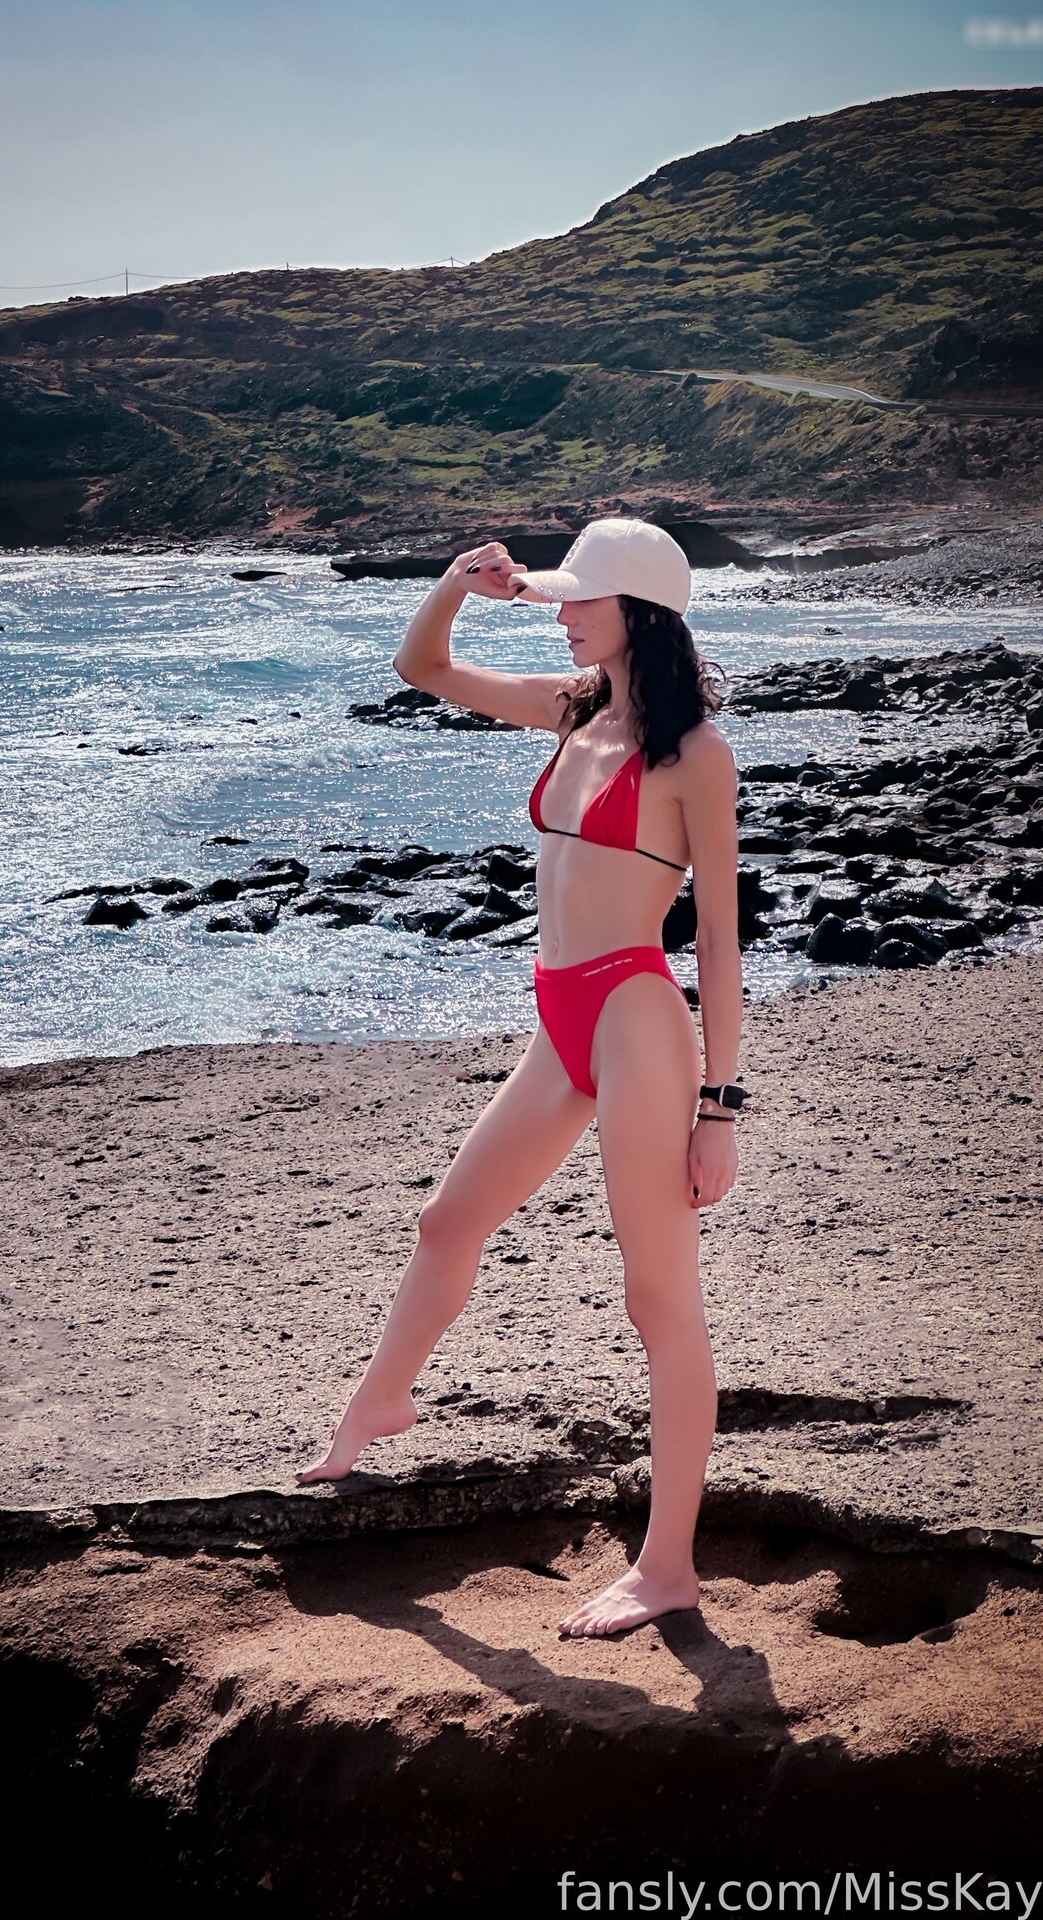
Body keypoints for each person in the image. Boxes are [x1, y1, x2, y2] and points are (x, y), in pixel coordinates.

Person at [297, 517, 744, 1639]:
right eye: (560, 596)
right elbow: (424, 669)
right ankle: (381, 1402)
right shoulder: (573, 709)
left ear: (640, 613)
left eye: (582, 598)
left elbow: (720, 940)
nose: (563, 612)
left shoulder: (695, 756)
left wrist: (720, 1108)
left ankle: (667, 1566)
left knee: (657, 1297)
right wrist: (460, 584)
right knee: (447, 1221)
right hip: (559, 1014)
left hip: (636, 1016)